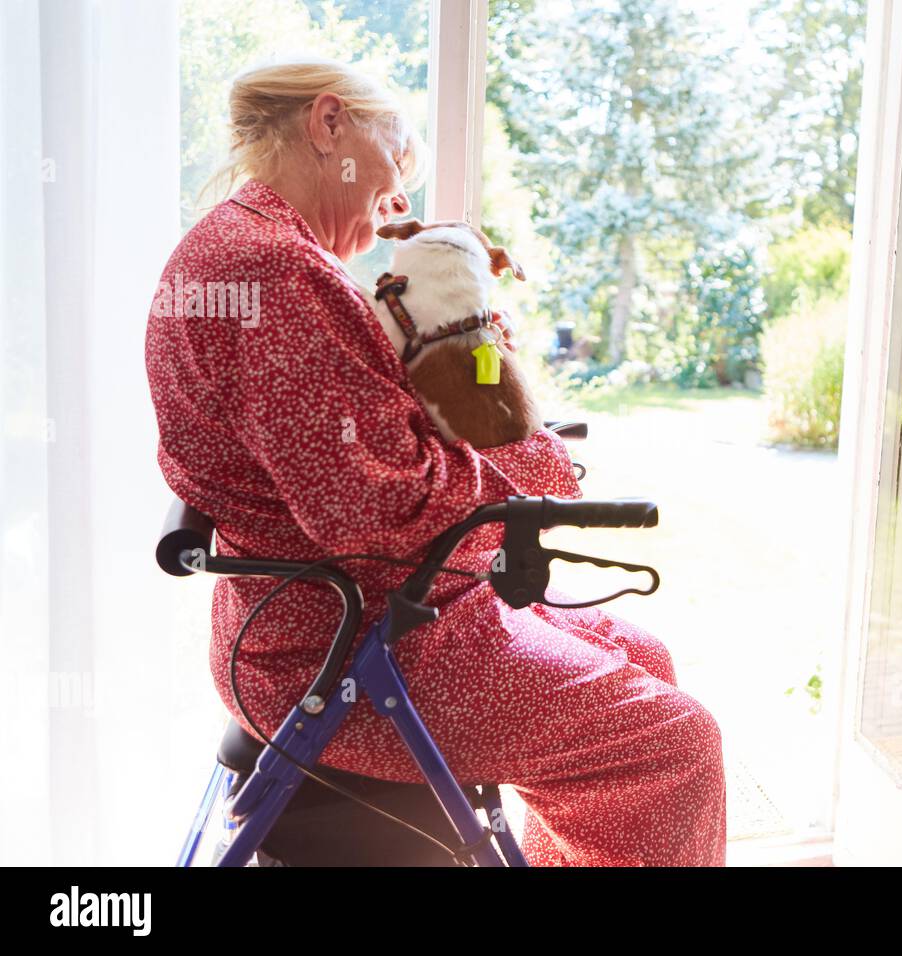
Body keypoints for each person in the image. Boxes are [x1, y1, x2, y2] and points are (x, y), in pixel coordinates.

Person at [144, 58, 726, 866]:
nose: (402, 201)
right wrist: (530, 474)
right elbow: (381, 520)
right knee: (673, 745)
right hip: (347, 645)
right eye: (400, 158)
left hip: (324, 614)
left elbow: (354, 459)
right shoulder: (276, 273)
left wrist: (476, 415)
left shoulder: (251, 246)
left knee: (646, 660)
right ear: (329, 125)